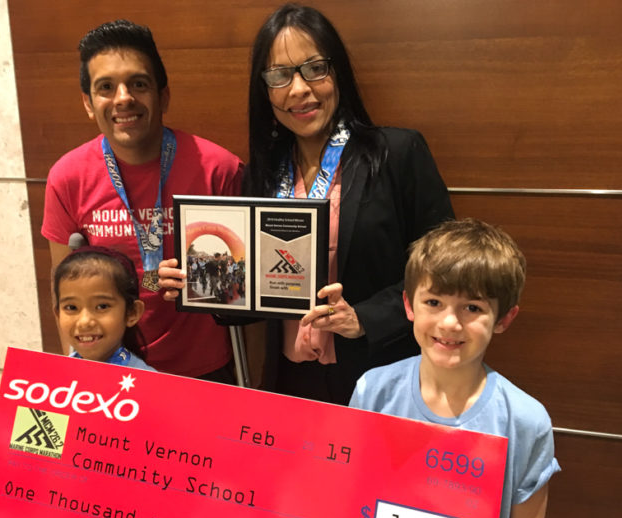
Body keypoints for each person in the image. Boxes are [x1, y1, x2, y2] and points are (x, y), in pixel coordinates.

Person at [163, 4, 454, 404]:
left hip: (378, 377)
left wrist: (364, 319)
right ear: (264, 91)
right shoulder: (261, 176)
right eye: (280, 76)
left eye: (314, 68)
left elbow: (445, 271)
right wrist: (200, 285)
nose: (299, 89)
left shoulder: (396, 154)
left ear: (338, 73)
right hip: (290, 383)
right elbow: (255, 295)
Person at [42, 20, 243, 381]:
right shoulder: (67, 178)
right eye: (106, 87)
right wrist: (78, 376)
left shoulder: (219, 169)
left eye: (138, 83)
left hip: (207, 371)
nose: (123, 98)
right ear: (89, 103)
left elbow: (246, 290)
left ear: (162, 96)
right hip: (113, 370)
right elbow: (63, 292)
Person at [350, 218, 560, 518]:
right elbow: (346, 506)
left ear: (504, 318)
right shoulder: (372, 392)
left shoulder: (525, 420)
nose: (449, 323)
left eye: (472, 308)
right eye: (433, 302)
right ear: (409, 305)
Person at [53, 246, 155, 371]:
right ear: (57, 314)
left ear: (132, 312)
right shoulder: (54, 378)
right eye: (71, 307)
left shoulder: (149, 384)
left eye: (102, 306)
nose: (84, 322)